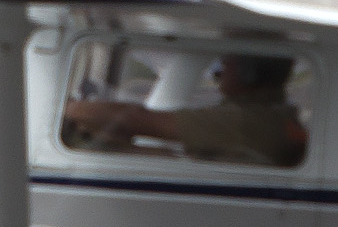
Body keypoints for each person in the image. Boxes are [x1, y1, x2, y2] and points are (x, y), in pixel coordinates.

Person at [63, 54, 307, 168]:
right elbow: (185, 160)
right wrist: (120, 147)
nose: (221, 65)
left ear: (249, 72)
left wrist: (68, 109)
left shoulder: (245, 121)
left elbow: (136, 119)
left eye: (229, 60)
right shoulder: (273, 115)